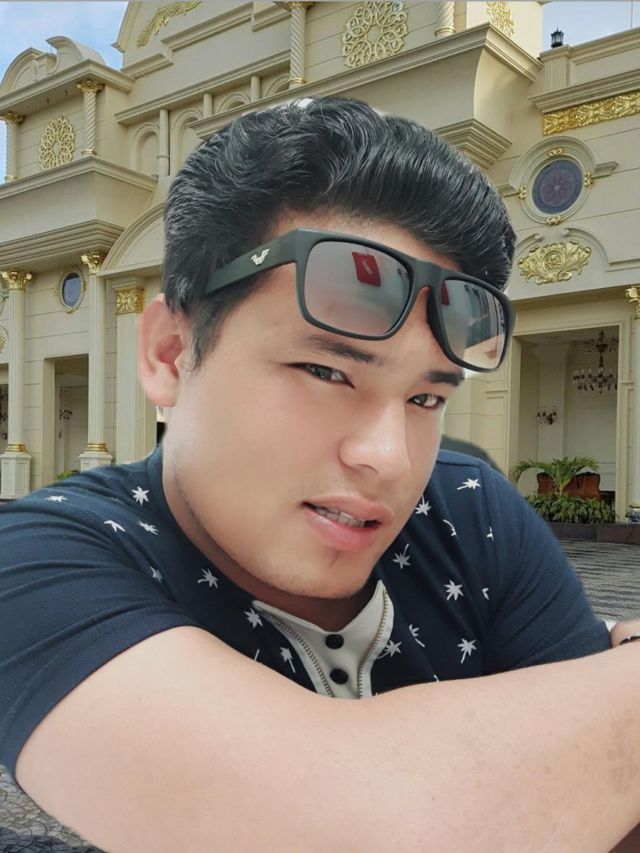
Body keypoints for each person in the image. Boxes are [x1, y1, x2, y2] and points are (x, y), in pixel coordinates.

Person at [1, 97, 640, 853]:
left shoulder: (469, 509)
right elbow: (352, 827)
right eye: (327, 372)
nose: (389, 458)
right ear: (170, 353)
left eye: (426, 397)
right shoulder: (37, 562)